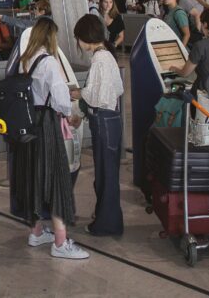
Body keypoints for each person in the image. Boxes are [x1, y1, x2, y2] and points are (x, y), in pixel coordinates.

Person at [9, 17, 88, 260]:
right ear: (50, 37)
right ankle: (60, 242)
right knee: (57, 181)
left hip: (29, 125)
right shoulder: (50, 62)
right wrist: (70, 114)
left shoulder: (26, 60)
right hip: (47, 126)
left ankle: (36, 232)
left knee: (34, 178)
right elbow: (62, 100)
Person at [70, 14, 123, 237]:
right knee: (106, 174)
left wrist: (78, 92)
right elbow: (116, 89)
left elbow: (95, 94)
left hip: (103, 121)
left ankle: (106, 224)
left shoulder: (100, 59)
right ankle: (105, 217)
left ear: (85, 37)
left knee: (106, 175)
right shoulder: (107, 56)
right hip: (110, 120)